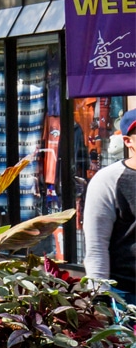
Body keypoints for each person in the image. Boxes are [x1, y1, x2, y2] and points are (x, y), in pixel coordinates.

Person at [83, 109, 136, 303]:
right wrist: (99, 297)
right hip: (126, 294)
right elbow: (96, 245)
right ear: (128, 141)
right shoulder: (108, 180)